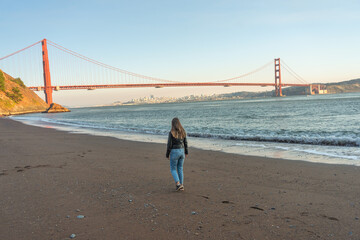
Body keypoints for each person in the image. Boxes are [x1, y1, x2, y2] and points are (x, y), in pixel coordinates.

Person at [166, 117, 188, 191]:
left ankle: (178, 184)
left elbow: (169, 144)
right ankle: (181, 185)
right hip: (182, 151)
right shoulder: (183, 131)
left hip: (174, 151)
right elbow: (185, 142)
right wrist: (186, 152)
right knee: (180, 168)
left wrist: (167, 154)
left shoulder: (171, 132)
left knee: (173, 169)